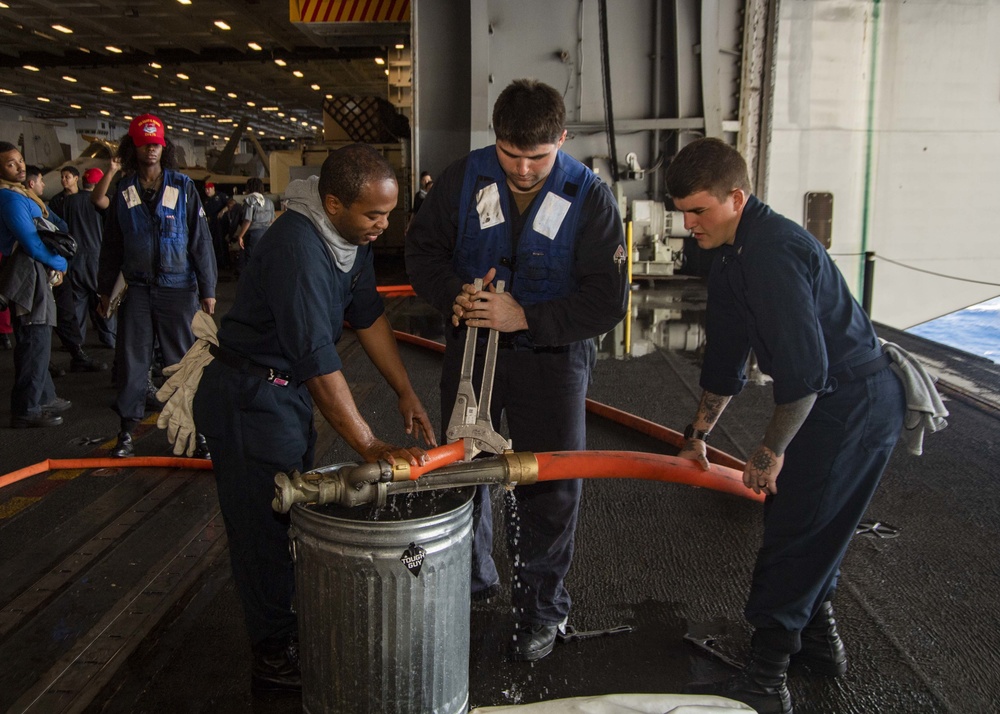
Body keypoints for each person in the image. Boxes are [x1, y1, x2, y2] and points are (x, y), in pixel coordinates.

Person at [666, 138, 905, 714]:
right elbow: (725, 359)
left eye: (699, 210)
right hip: (825, 397)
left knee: (795, 535)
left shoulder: (773, 252)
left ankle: (766, 683)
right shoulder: (727, 253)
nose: (688, 224)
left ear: (737, 198)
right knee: (801, 525)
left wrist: (767, 453)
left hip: (854, 404)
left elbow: (804, 375)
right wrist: (697, 434)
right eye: (682, 212)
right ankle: (819, 649)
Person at [192, 143, 436, 697]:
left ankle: (286, 624)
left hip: (285, 396)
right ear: (332, 202)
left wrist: (405, 391)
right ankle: (273, 654)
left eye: (390, 213)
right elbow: (319, 364)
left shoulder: (352, 237)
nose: (384, 224)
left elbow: (368, 314)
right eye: (374, 215)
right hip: (250, 396)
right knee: (264, 528)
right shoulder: (297, 249)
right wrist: (370, 444)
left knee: (291, 514)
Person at [405, 78, 629, 662]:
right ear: (494, 139)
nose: (525, 170)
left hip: (553, 364)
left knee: (550, 484)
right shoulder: (461, 179)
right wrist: (453, 293)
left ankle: (541, 609)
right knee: (464, 472)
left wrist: (524, 316)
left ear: (563, 139)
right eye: (511, 154)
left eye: (538, 156)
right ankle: (473, 584)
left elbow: (606, 301)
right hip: (472, 355)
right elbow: (421, 251)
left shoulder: (591, 197)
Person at [96, 114, 216, 458]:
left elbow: (200, 241)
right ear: (133, 147)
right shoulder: (124, 190)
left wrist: (208, 290)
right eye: (145, 143)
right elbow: (112, 247)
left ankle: (195, 433)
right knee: (132, 360)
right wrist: (105, 291)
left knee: (183, 362)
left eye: (157, 144)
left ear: (165, 147)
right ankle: (125, 433)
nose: (151, 150)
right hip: (137, 291)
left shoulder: (182, 186)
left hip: (179, 289)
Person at [0, 142, 72, 427]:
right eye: (10, 164)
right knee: (34, 339)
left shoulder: (22, 194)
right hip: (27, 275)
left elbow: (53, 224)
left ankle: (44, 395)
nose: (19, 167)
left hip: (35, 272)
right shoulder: (9, 198)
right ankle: (26, 409)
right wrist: (61, 263)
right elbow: (30, 241)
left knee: (40, 338)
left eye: (20, 161)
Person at [24, 166, 107, 374]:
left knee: (67, 309)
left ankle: (75, 353)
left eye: (66, 177)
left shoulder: (45, 203)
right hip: (45, 265)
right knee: (39, 317)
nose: (48, 183)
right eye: (42, 180)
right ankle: (43, 363)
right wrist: (61, 263)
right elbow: (32, 238)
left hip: (59, 264)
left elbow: (59, 224)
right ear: (32, 184)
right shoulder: (24, 202)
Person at [61, 167, 116, 351]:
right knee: (104, 299)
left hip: (74, 258)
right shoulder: (102, 203)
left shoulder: (69, 202)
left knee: (77, 303)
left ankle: (76, 345)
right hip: (96, 258)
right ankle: (109, 338)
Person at [232, 177, 275, 264]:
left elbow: (248, 220)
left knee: (252, 260)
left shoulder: (250, 201)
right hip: (267, 233)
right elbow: (272, 220)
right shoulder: (269, 202)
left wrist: (240, 236)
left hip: (254, 235)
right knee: (265, 259)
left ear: (249, 188)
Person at [202, 181, 230, 272]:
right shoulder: (206, 200)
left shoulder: (220, 196)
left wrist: (223, 211)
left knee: (222, 243)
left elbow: (231, 203)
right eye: (206, 189)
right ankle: (216, 264)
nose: (207, 191)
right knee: (213, 244)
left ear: (213, 188)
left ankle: (226, 263)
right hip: (211, 225)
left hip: (221, 224)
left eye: (209, 189)